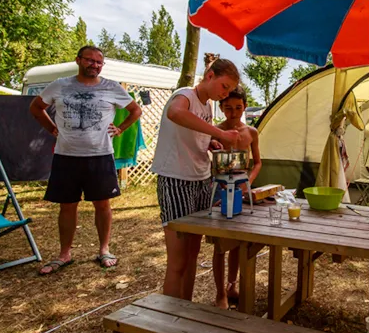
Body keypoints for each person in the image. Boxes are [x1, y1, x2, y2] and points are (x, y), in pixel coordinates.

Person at [30, 45, 142, 275]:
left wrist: (120, 128)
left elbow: (135, 110)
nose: (95, 65)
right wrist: (52, 128)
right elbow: (36, 107)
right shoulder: (60, 85)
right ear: (78, 60)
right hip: (66, 156)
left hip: (100, 156)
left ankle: (104, 249)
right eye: (90, 60)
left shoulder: (111, 87)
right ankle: (64, 254)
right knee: (67, 206)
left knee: (103, 205)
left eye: (99, 62)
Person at [151, 56, 241, 301]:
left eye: (231, 90)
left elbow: (195, 133)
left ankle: (186, 309)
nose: (226, 94)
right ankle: (170, 320)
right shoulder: (185, 95)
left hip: (202, 180)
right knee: (177, 260)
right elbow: (175, 113)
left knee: (193, 254)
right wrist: (219, 133)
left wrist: (209, 142)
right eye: (224, 87)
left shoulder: (208, 106)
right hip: (177, 179)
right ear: (210, 76)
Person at [213, 86, 260, 309]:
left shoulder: (251, 132)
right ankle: (220, 293)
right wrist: (219, 186)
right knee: (220, 245)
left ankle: (232, 285)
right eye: (229, 108)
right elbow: (209, 162)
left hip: (242, 191)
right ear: (221, 107)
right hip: (220, 192)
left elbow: (258, 162)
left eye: (238, 108)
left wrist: (248, 183)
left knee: (237, 243)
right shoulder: (215, 131)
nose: (234, 113)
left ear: (244, 107)